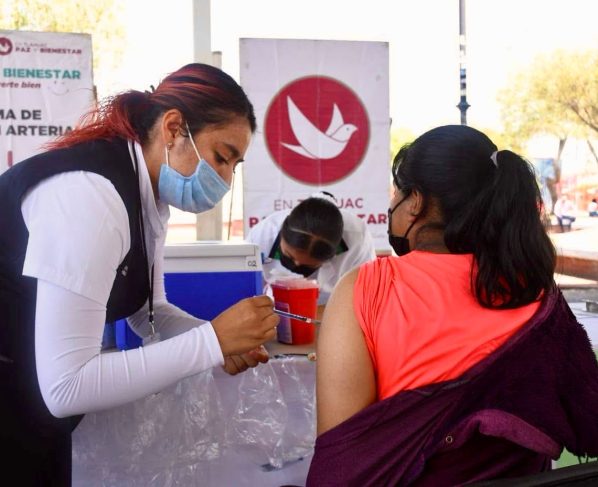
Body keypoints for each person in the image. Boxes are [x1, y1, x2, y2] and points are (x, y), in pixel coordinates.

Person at [0, 63, 279, 486]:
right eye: (222, 157)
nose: (224, 180)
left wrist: (220, 340)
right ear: (172, 128)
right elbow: (66, 388)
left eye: (234, 167)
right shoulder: (90, 197)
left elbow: (150, 311)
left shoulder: (146, 194)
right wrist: (211, 341)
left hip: (28, 400)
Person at [307, 125, 598, 486]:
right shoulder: (538, 292)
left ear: (415, 201)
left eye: (396, 191)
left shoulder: (366, 289)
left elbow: (343, 465)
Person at [246, 192, 377, 315]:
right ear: (282, 233)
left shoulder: (357, 240)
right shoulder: (260, 239)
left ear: (332, 255)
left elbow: (366, 298)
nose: (296, 265)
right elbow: (250, 297)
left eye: (307, 266)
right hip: (280, 311)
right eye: (288, 256)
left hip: (336, 312)